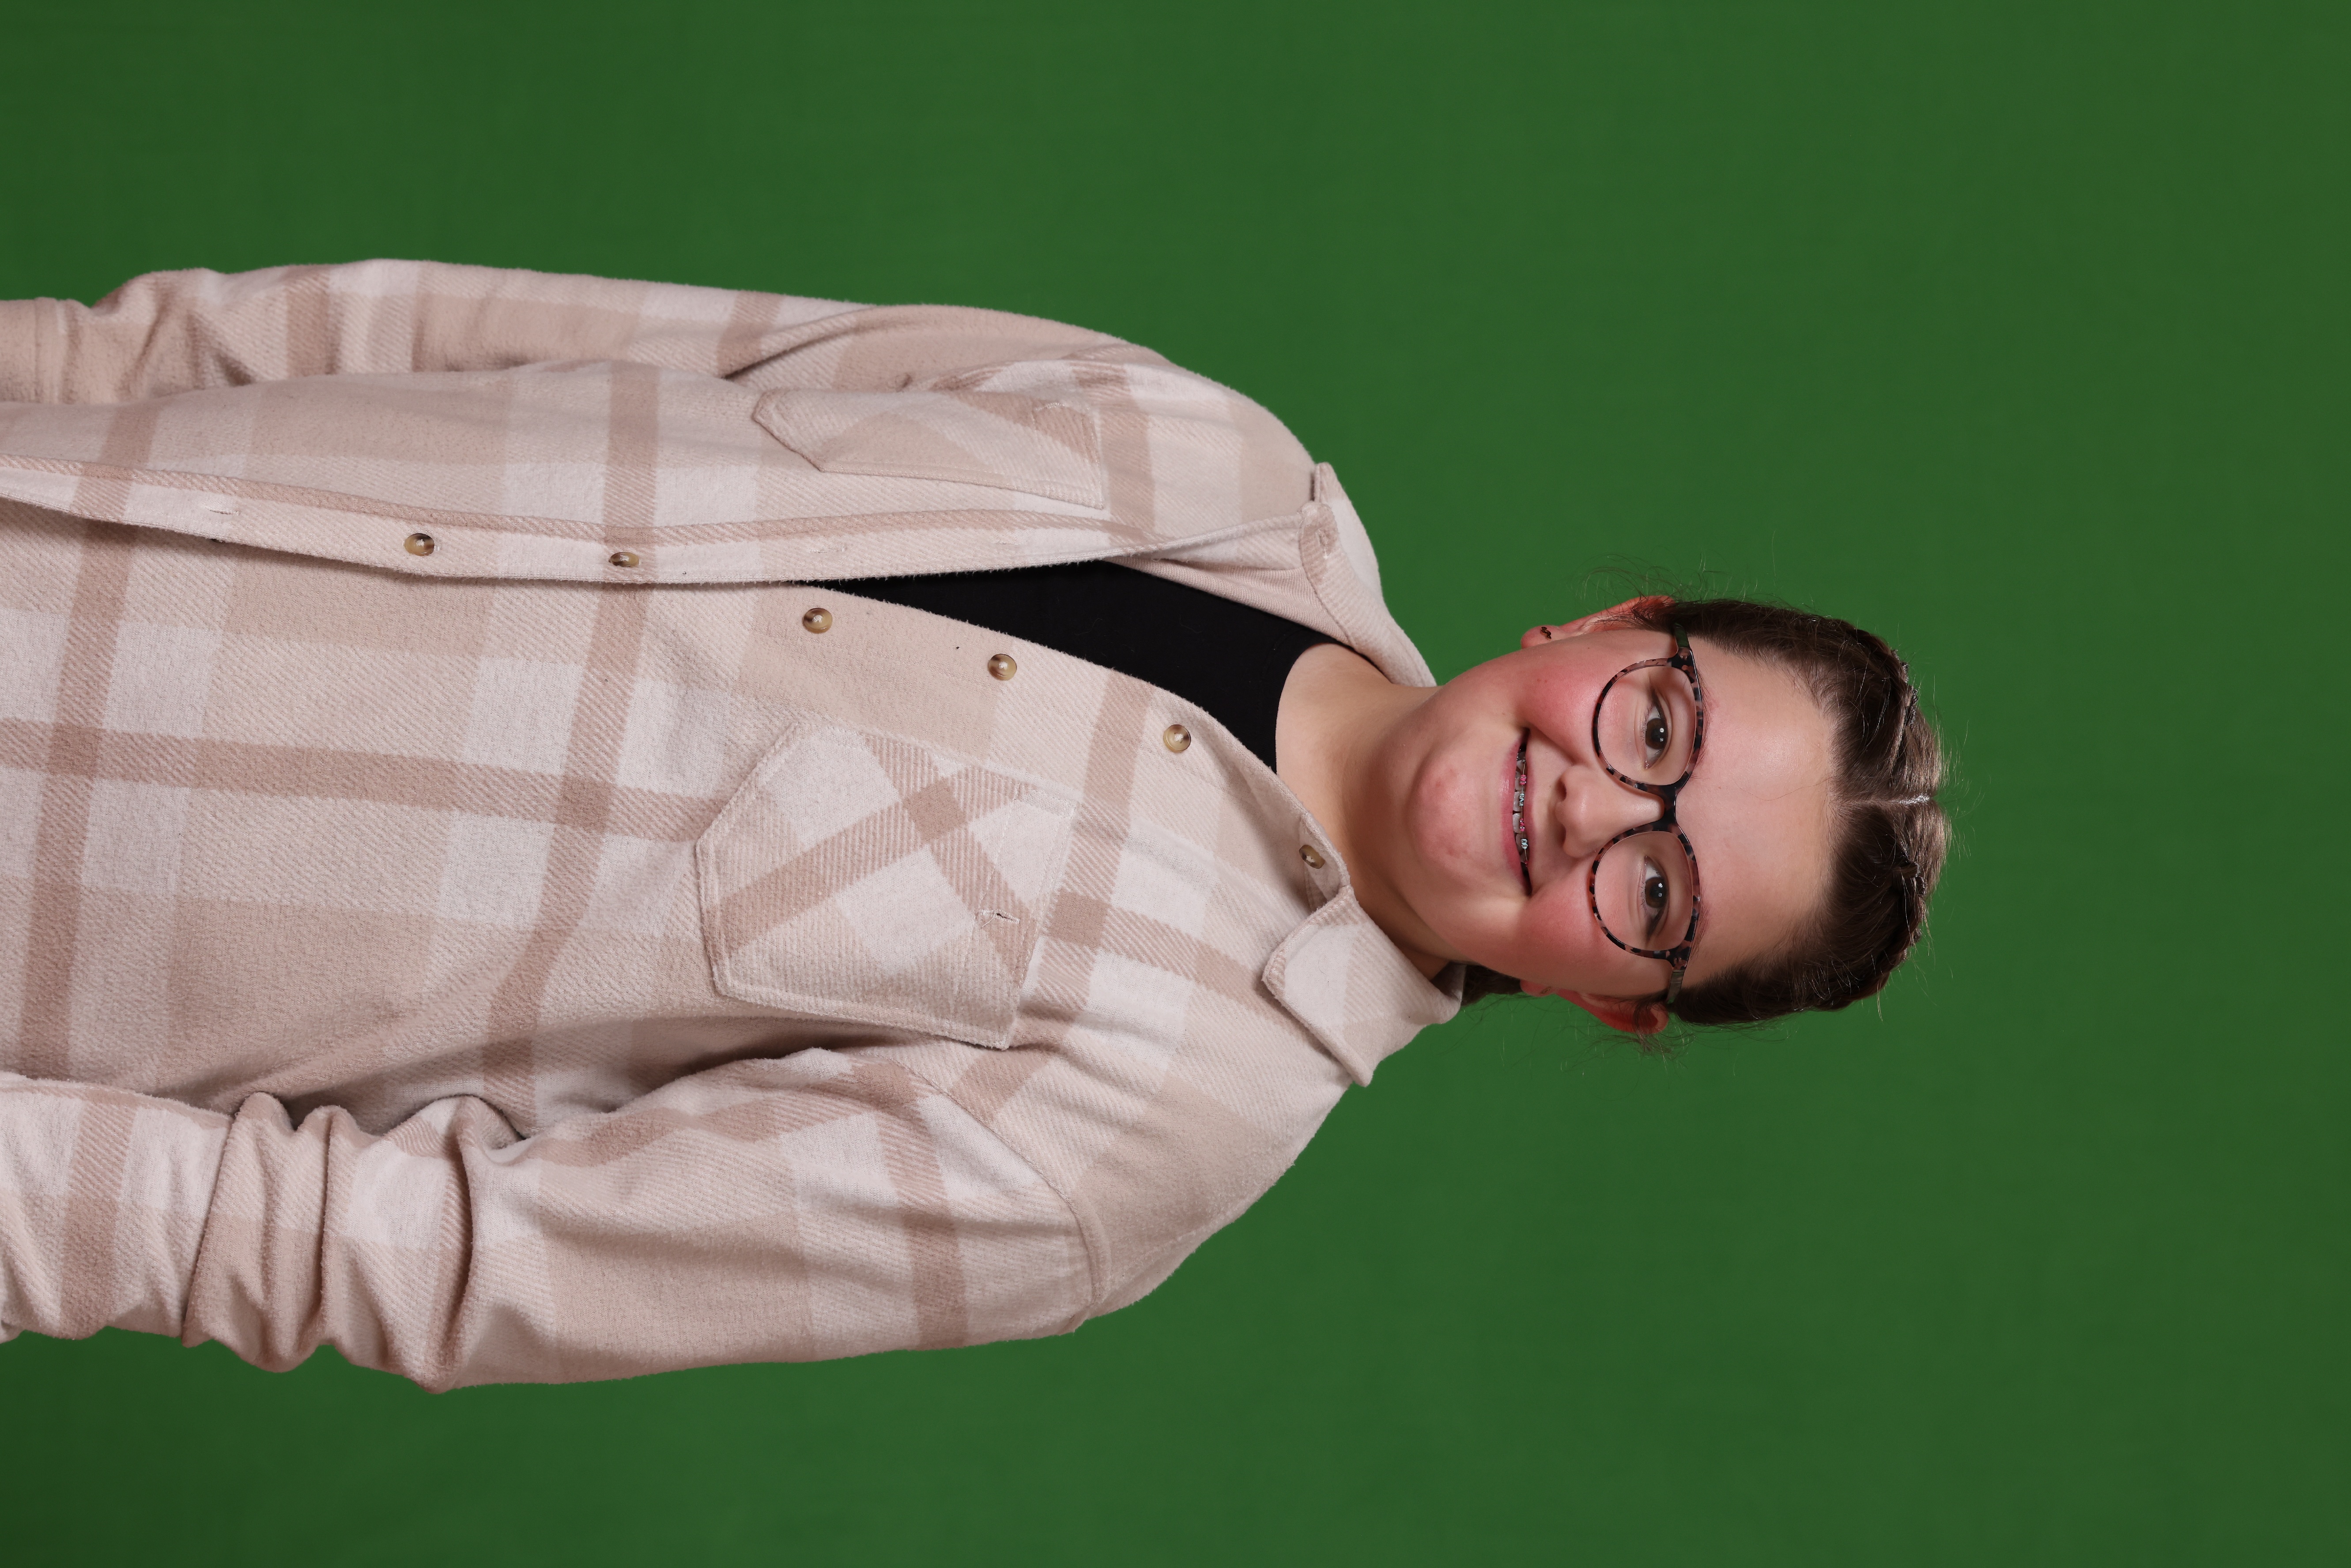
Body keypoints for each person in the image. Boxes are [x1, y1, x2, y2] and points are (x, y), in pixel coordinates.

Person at [0, 262, 1946, 1388]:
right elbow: (492, 337)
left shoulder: (1143, 1143)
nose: (1596, 803)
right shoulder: (1204, 449)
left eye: (1658, 887)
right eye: (1660, 723)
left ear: (1618, 999)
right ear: (1610, 626)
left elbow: (434, 1253)